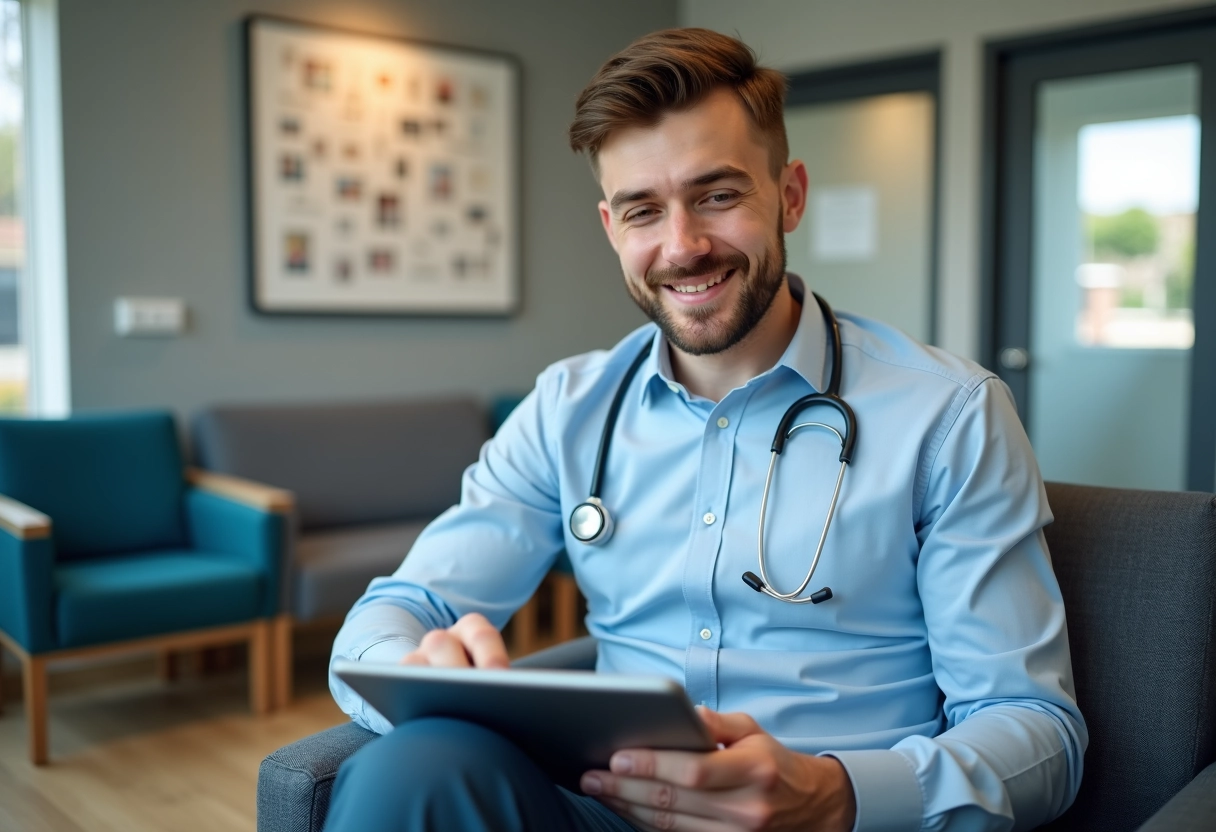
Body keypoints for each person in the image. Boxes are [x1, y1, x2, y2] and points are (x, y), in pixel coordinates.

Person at [324, 28, 1086, 832]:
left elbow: (1038, 731)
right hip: (611, 813)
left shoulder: (949, 415)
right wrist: (415, 669)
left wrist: (836, 794)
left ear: (789, 194)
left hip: (836, 818)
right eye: (643, 210)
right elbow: (398, 609)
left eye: (717, 195)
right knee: (411, 766)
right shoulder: (567, 409)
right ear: (612, 227)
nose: (682, 246)